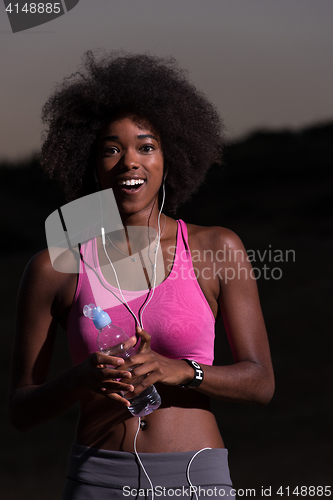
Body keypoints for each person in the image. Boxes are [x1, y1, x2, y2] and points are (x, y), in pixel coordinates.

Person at [9, 52, 275, 499]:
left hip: (197, 479)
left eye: (146, 147)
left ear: (169, 157)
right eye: (111, 149)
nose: (130, 162)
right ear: (90, 165)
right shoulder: (53, 268)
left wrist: (180, 370)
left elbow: (260, 382)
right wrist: (80, 378)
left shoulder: (215, 248)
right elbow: (21, 409)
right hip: (98, 480)